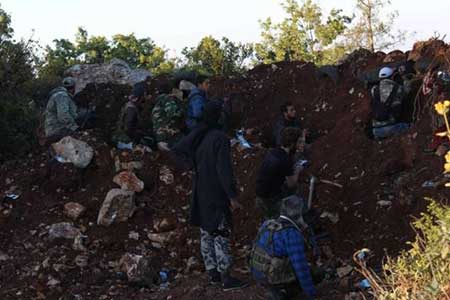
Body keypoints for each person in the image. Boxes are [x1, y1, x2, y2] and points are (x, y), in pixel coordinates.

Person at [172, 100, 248, 291]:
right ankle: (226, 278)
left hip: (201, 191)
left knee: (206, 231)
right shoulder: (219, 138)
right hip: (216, 193)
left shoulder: (199, 136)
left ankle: (213, 272)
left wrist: (191, 167)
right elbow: (224, 170)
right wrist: (232, 196)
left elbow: (176, 150)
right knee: (220, 232)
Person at [250, 196, 317, 300]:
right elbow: (300, 266)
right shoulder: (291, 233)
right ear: (298, 215)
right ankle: (281, 292)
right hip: (272, 277)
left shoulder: (268, 223)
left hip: (259, 273)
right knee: (312, 274)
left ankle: (274, 289)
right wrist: (311, 293)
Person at [256, 127, 304, 219]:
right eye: (299, 142)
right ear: (292, 144)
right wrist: (298, 170)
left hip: (260, 195)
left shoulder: (274, 152)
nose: (301, 145)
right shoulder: (285, 160)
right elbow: (292, 184)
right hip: (270, 199)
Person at [152, 80, 195, 151]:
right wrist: (182, 105)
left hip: (160, 136)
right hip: (170, 135)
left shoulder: (158, 101)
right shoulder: (167, 98)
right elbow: (174, 113)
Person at [370, 67, 409, 139]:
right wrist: (404, 77)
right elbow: (407, 90)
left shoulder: (374, 90)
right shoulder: (397, 89)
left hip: (375, 130)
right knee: (410, 127)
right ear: (392, 77)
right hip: (392, 127)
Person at [44, 77, 81, 142]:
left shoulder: (60, 95)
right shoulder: (62, 96)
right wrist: (75, 127)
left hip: (54, 129)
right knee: (84, 138)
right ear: (73, 87)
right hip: (57, 130)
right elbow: (63, 115)